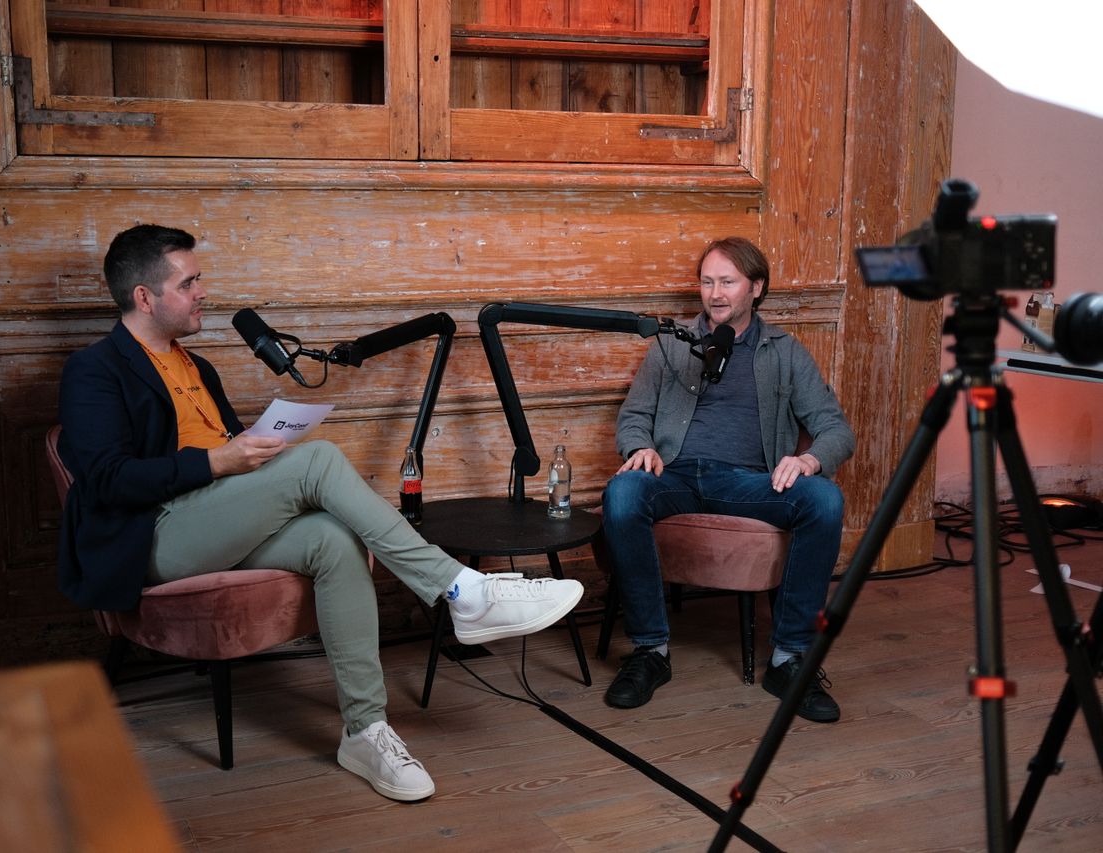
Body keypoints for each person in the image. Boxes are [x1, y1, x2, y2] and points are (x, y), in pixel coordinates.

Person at [56, 224, 584, 801]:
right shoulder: (95, 369)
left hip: (213, 518)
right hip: (153, 538)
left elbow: (224, 448)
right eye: (189, 282)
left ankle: (365, 730)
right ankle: (462, 591)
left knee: (333, 539)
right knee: (320, 462)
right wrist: (220, 461)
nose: (202, 291)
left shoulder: (196, 367)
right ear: (144, 297)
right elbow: (107, 478)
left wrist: (253, 448)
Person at [600, 236, 854, 722]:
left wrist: (808, 462)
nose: (715, 293)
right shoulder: (671, 345)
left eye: (728, 282)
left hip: (749, 483)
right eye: (707, 281)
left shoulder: (784, 352)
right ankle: (651, 652)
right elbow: (633, 417)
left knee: (822, 501)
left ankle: (789, 661)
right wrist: (641, 447)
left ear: (756, 288)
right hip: (674, 475)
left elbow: (834, 428)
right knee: (623, 491)